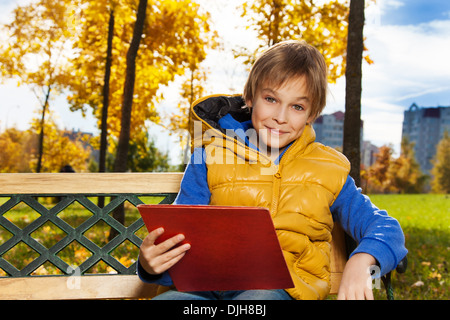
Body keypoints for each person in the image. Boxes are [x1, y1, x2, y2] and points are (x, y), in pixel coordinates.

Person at [137, 40, 407, 300]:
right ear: (250, 97)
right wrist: (152, 265)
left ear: (311, 114)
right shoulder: (208, 156)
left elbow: (386, 228)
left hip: (280, 290)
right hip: (202, 289)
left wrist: (363, 260)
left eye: (297, 106)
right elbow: (178, 239)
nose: (281, 117)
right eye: (271, 99)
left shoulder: (329, 170)